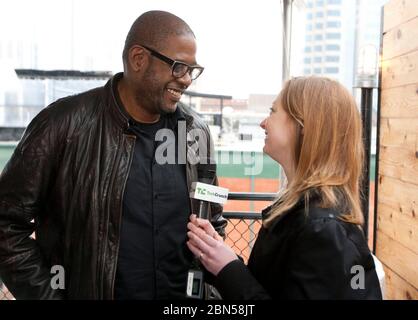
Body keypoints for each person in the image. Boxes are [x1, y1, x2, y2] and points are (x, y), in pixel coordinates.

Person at [0, 11, 226, 300]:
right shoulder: (62, 124)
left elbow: (214, 218)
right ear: (138, 58)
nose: (186, 80)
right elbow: (6, 223)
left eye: (192, 70)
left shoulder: (198, 132)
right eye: (179, 67)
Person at [187, 76, 383, 300]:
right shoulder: (307, 213)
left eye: (273, 111)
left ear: (303, 126)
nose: (263, 122)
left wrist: (228, 269)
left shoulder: (323, 228)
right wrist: (220, 258)